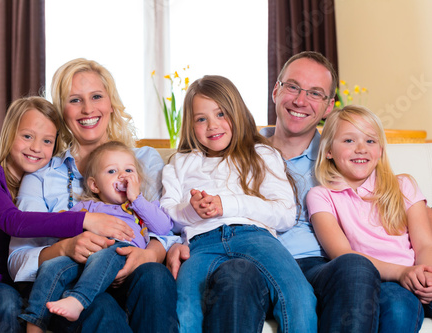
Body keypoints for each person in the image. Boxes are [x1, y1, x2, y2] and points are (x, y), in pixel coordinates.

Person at [166, 51, 382, 333]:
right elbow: (166, 213)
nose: (300, 100)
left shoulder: (340, 154)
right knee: (210, 292)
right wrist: (179, 232)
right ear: (276, 90)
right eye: (293, 87)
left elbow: (385, 204)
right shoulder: (214, 156)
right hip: (217, 253)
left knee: (343, 275)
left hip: (299, 258)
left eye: (315, 93)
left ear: (329, 106)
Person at [0, 96, 130, 333]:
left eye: (47, 141)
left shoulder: (36, 187)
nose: (36, 147)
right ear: (9, 134)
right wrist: (87, 219)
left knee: (10, 306)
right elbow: (13, 222)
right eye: (27, 136)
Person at [8, 58, 178, 333]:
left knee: (155, 277)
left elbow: (169, 228)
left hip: (135, 271)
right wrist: (64, 248)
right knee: (101, 311)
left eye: (96, 96)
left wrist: (150, 255)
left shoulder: (145, 161)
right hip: (75, 282)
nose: (88, 109)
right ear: (61, 111)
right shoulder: (41, 176)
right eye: (75, 100)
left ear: (111, 103)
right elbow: (17, 260)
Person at [161, 75, 317, 333]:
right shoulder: (180, 163)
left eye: (221, 114)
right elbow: (167, 215)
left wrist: (228, 204)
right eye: (201, 119)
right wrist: (191, 210)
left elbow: (285, 214)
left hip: (254, 237)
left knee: (298, 296)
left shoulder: (261, 154)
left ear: (237, 112)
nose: (212, 125)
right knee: (185, 309)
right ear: (190, 125)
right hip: (200, 244)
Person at [21, 141, 173, 332]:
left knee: (109, 252)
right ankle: (35, 323)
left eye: (129, 170)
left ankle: (78, 300)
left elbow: (164, 227)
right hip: (84, 263)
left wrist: (137, 199)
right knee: (51, 266)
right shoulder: (89, 207)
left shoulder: (141, 208)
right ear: (94, 185)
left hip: (121, 258)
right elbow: (60, 226)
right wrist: (79, 226)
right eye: (111, 171)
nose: (122, 176)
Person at [307, 105, 432, 332]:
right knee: (399, 308)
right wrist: (401, 273)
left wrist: (426, 274)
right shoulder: (321, 196)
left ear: (381, 150)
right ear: (328, 150)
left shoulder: (404, 185)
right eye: (348, 141)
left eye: (370, 141)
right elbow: (342, 254)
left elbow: (424, 243)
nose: (361, 149)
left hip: (415, 274)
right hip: (380, 281)